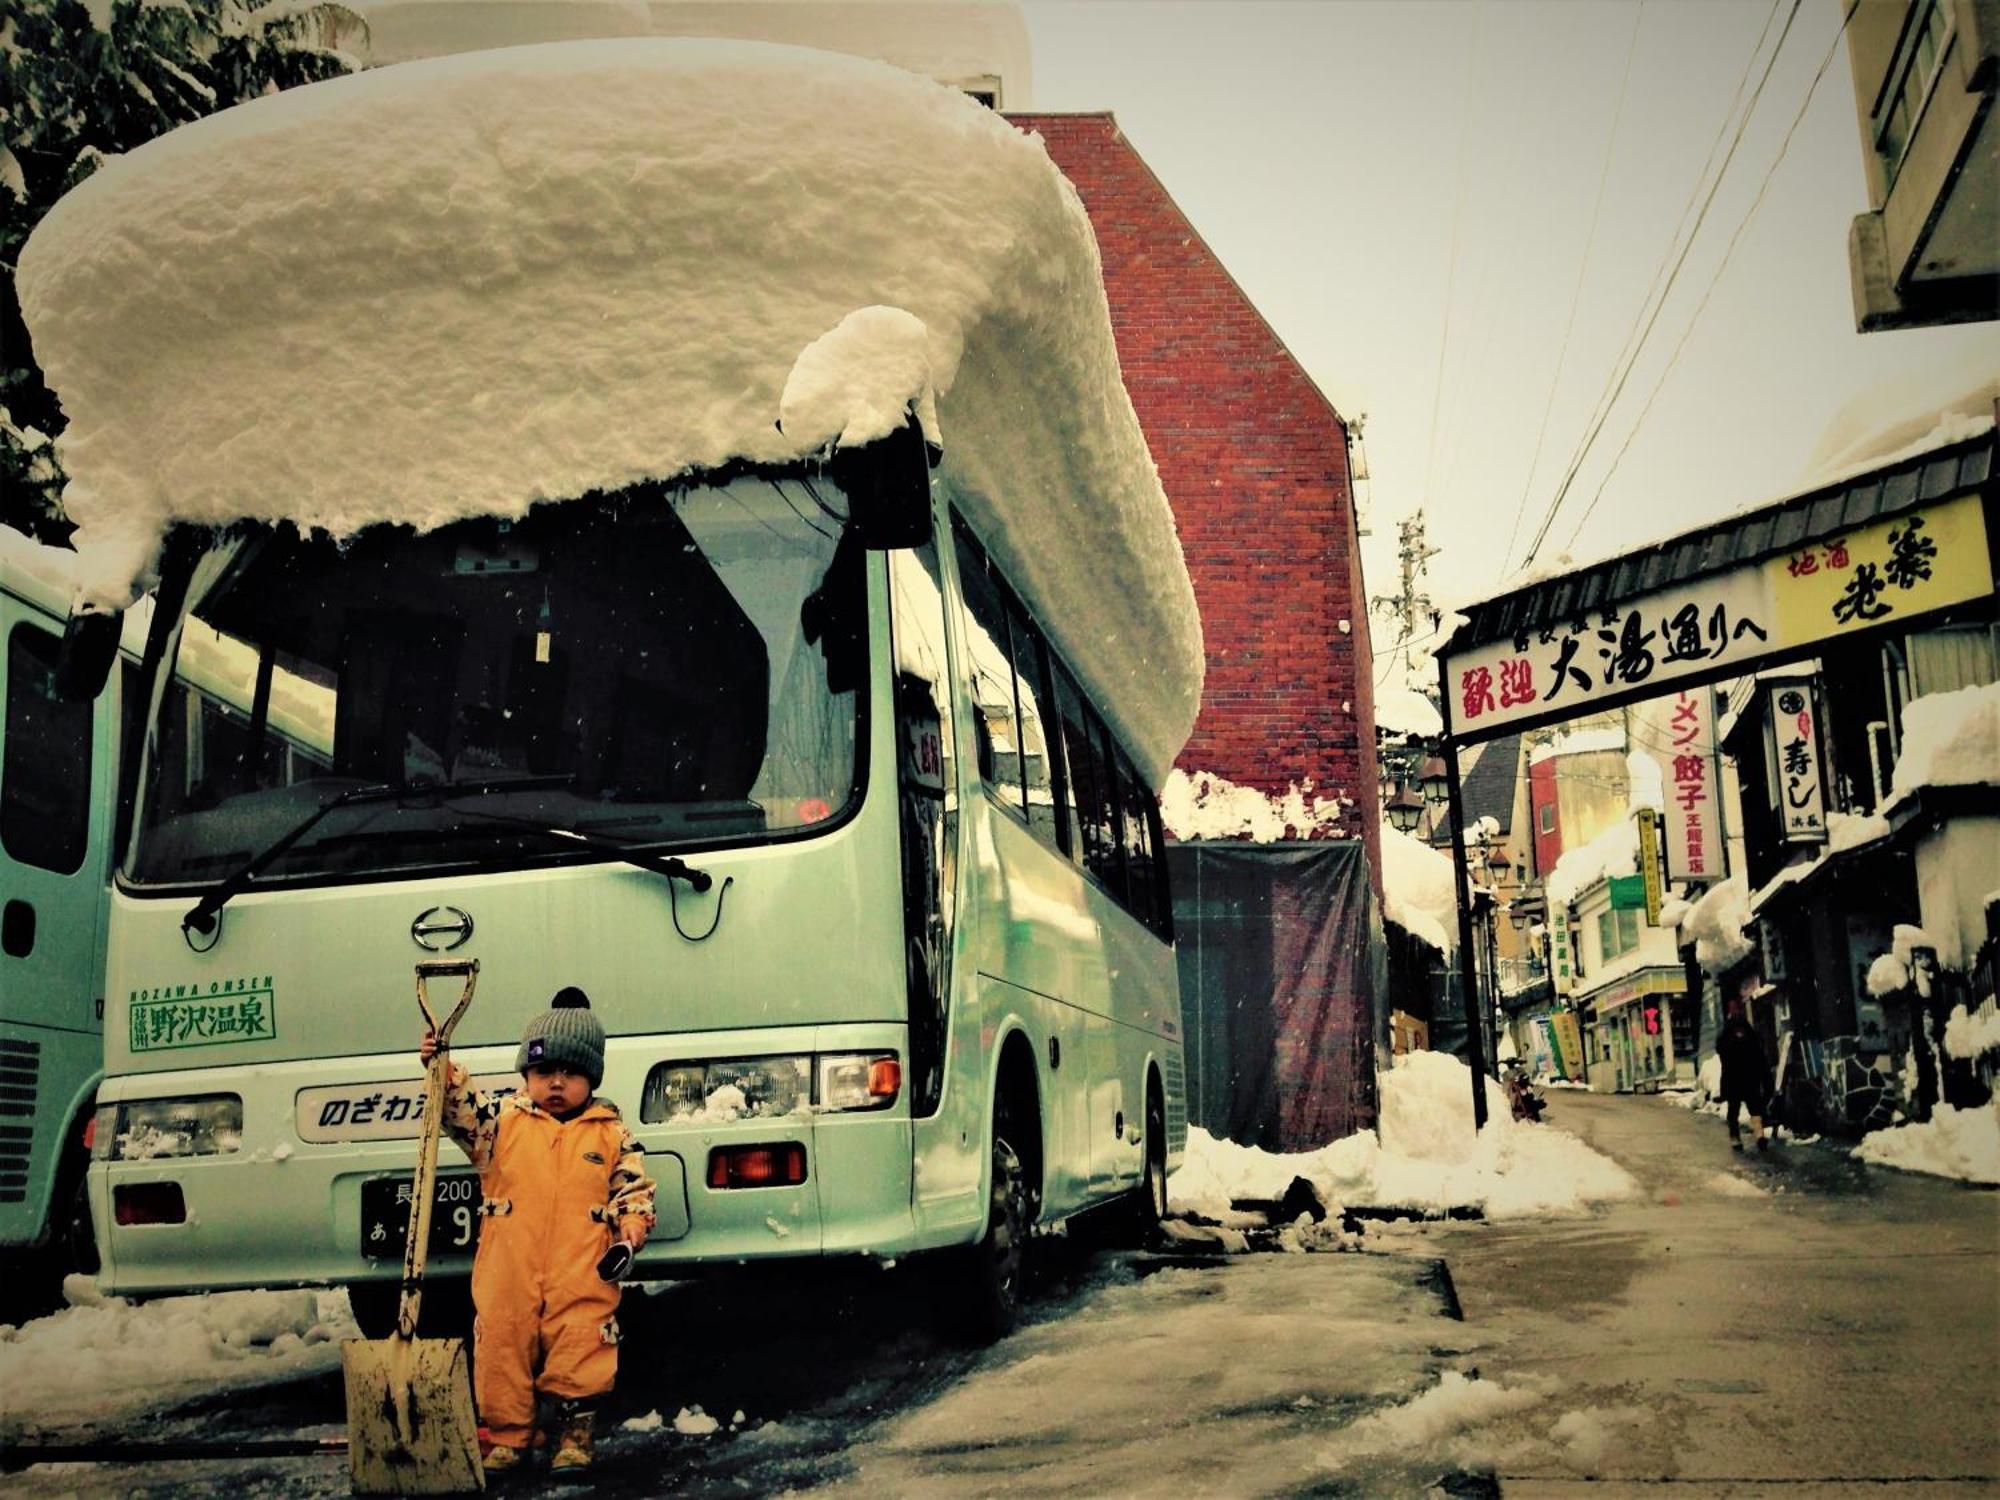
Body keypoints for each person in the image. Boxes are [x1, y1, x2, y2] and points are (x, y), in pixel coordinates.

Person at [419, 987, 655, 1475]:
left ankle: (574, 1433)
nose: (555, 1084)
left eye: (569, 1074)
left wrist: (630, 1228)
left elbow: (631, 1188)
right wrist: (441, 1070)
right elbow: (458, 1110)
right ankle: (508, 1435)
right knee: (502, 1347)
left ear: (591, 1079)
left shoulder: (610, 1133)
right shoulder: (501, 1125)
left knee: (582, 1346)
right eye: (543, 1072)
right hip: (509, 1268)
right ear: (525, 1075)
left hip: (582, 1269)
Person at [1715, 1001, 1771, 1152]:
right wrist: (1765, 1079)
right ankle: (1759, 1135)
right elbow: (1760, 1058)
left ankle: (1736, 1137)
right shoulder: (1749, 1034)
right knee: (1754, 1107)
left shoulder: (1726, 1037)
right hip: (1748, 1079)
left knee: (1734, 1110)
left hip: (1735, 1080)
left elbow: (1722, 1054)